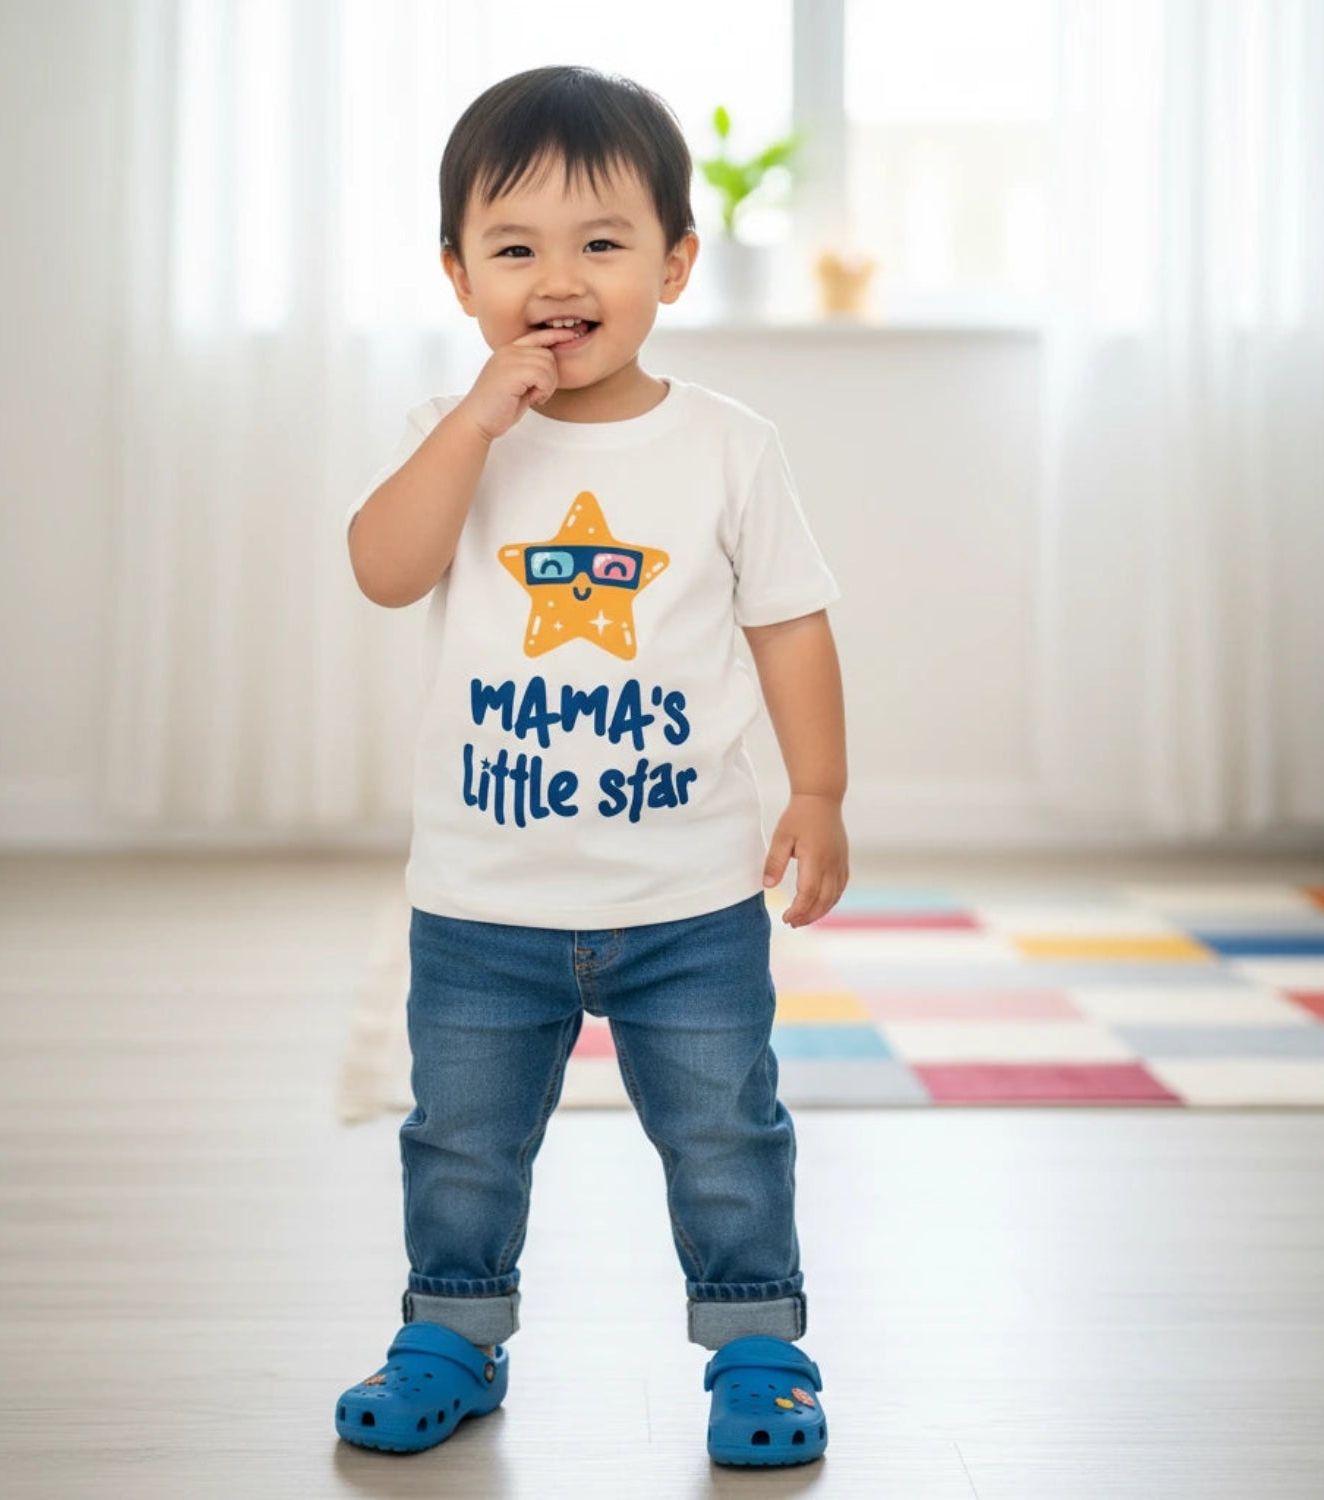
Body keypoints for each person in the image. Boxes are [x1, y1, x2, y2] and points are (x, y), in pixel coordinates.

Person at [335, 65, 849, 1468]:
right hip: (484, 902)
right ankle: (452, 1329)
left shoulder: (729, 449)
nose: (557, 280)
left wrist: (819, 793)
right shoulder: (459, 443)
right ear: (459, 278)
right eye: (515, 249)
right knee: (462, 1139)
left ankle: (758, 1347)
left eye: (601, 244)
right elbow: (384, 570)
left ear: (675, 263)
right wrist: (476, 422)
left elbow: (791, 626)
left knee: (726, 1133)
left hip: (686, 898)